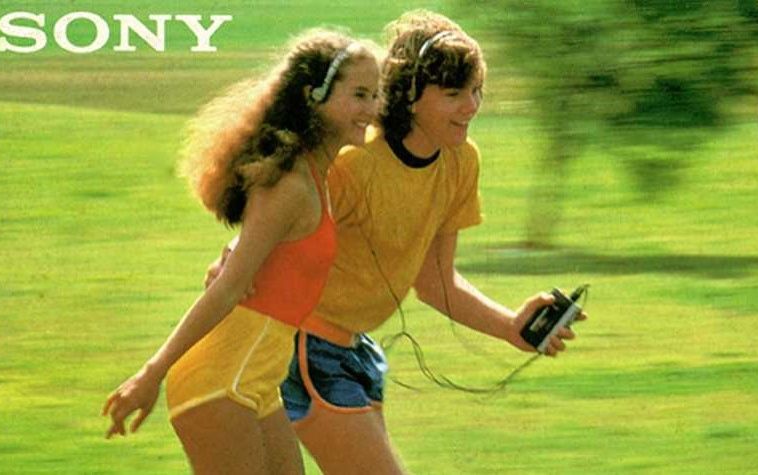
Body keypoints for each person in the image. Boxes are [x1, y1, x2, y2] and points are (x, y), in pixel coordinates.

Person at [205, 11, 586, 475]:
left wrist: (510, 327)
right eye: (453, 94)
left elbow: (434, 281)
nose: (471, 106)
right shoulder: (355, 162)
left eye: (476, 91)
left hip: (357, 353)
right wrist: (232, 263)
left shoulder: (460, 162)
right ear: (409, 95)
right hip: (305, 350)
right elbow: (275, 224)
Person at [101, 29, 380, 474]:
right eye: (361, 94)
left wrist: (233, 249)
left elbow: (266, 247)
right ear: (314, 97)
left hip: (257, 384)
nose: (373, 108)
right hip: (218, 383)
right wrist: (150, 375)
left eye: (377, 94)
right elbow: (229, 288)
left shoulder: (318, 176)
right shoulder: (291, 185)